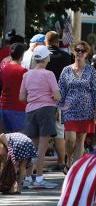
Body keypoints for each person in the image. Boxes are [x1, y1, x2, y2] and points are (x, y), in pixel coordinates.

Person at [19, 45, 61, 189]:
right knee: (42, 148)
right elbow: (57, 95)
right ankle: (39, 179)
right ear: (46, 58)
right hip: (46, 110)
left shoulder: (26, 74)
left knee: (32, 147)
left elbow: (22, 97)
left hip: (30, 111)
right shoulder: (49, 74)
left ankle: (28, 178)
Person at [58, 41, 96, 174]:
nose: (79, 53)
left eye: (82, 51)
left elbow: (95, 91)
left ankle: (74, 170)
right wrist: (58, 108)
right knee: (70, 139)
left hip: (86, 110)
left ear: (87, 54)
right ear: (73, 52)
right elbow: (61, 90)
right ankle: (69, 160)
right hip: (69, 109)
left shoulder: (91, 71)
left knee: (80, 141)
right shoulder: (66, 70)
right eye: (77, 50)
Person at [45, 31, 72, 171]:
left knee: (42, 132)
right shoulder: (67, 56)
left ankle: (36, 164)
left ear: (46, 42)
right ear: (57, 42)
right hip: (62, 97)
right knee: (60, 132)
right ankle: (62, 162)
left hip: (44, 98)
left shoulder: (42, 56)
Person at [0, 43, 27, 133]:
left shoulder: (4, 68)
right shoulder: (23, 71)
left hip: (4, 107)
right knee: (19, 141)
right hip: (19, 108)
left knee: (5, 141)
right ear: (22, 55)